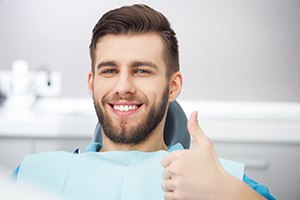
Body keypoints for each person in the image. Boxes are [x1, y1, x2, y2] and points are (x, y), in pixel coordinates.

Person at [13, 4, 275, 200]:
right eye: (110, 71)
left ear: (173, 86)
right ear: (92, 83)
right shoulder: (32, 175)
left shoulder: (222, 183)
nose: (123, 87)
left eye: (141, 71)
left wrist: (226, 191)